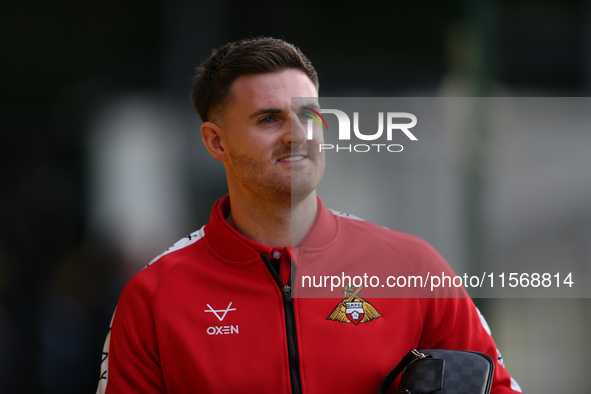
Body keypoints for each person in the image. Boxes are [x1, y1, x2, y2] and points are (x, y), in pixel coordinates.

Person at [97, 37, 522, 393]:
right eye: (268, 119)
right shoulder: (153, 296)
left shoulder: (413, 267)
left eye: (308, 114)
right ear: (216, 142)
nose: (297, 134)